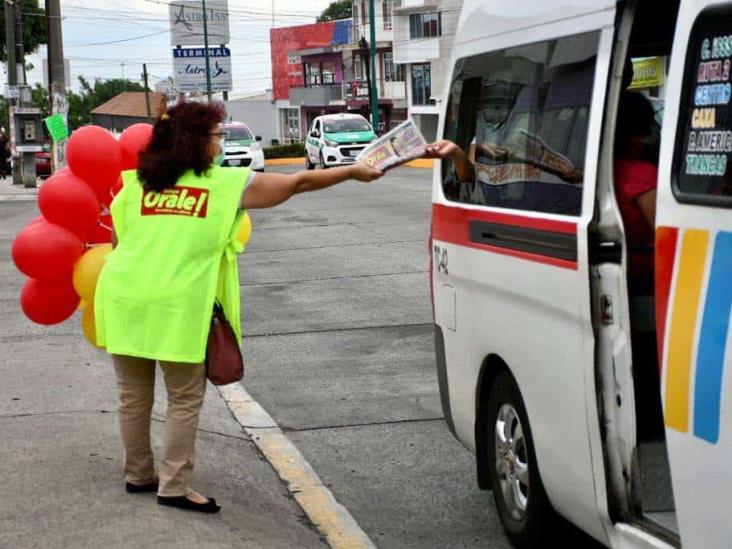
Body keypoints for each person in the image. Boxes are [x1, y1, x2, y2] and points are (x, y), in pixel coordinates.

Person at [94, 101, 383, 514]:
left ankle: (138, 475)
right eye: (216, 135)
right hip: (178, 305)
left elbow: (118, 246)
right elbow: (298, 183)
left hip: (123, 295)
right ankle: (174, 486)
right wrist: (352, 172)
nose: (222, 142)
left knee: (132, 395)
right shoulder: (225, 185)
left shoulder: (135, 186)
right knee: (184, 396)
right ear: (195, 142)